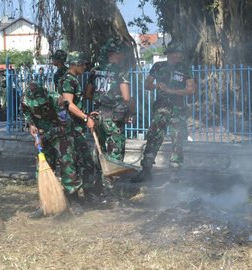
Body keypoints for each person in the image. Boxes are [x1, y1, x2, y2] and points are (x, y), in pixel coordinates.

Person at [131, 42, 196, 183]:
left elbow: (191, 89)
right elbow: (147, 85)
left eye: (180, 53)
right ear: (170, 53)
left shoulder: (184, 68)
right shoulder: (158, 66)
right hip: (162, 107)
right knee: (154, 136)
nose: (179, 55)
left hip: (178, 109)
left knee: (177, 138)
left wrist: (172, 91)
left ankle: (175, 172)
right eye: (177, 52)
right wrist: (156, 85)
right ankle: (146, 169)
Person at [22, 80, 82, 218]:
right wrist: (31, 126)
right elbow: (26, 113)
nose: (37, 106)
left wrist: (45, 136)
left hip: (61, 134)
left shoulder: (57, 100)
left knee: (68, 165)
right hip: (43, 135)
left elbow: (65, 124)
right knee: (42, 168)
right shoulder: (25, 99)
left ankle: (73, 200)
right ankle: (46, 203)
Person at [85, 38, 134, 192]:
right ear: (117, 53)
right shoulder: (120, 71)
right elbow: (126, 98)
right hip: (114, 117)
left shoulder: (96, 70)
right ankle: (110, 191)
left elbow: (87, 94)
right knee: (115, 152)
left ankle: (98, 186)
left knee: (100, 151)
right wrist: (132, 111)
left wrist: (101, 100)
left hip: (98, 115)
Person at [57, 51, 96, 212]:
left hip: (76, 127)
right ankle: (72, 198)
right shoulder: (68, 80)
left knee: (86, 162)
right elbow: (68, 104)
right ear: (75, 64)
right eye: (83, 64)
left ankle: (88, 194)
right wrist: (85, 118)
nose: (85, 67)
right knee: (70, 164)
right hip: (69, 128)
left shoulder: (73, 79)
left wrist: (85, 117)